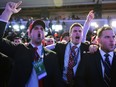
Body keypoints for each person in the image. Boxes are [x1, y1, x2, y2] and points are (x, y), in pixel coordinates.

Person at [0, 1, 63, 87]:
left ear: (44, 35)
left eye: (42, 29)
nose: (39, 30)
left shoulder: (52, 56)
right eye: (36, 28)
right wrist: (7, 13)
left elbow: (57, 81)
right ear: (29, 34)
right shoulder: (20, 50)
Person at [54, 10, 95, 87]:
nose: (78, 33)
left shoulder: (86, 47)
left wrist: (88, 21)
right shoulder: (60, 47)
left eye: (80, 31)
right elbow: (47, 48)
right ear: (70, 35)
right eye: (75, 31)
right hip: (62, 83)